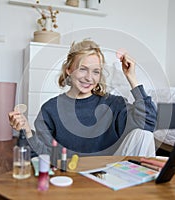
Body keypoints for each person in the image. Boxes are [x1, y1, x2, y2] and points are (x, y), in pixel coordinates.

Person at [9, 39, 157, 157]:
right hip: (69, 174)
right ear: (69, 70)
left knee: (144, 135)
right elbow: (41, 154)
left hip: (110, 172)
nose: (89, 78)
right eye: (83, 69)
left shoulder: (114, 103)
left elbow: (149, 122)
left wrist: (131, 77)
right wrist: (27, 131)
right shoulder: (51, 109)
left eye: (96, 72)